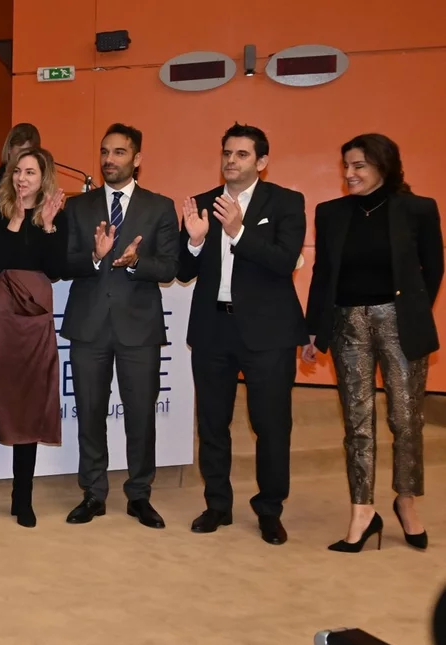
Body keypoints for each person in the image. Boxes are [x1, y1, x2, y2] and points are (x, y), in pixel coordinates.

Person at [303, 133, 440, 553]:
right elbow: (323, 275)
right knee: (357, 423)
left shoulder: (417, 209)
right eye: (345, 165)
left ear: (384, 165)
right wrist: (314, 329)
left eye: (359, 165)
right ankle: (362, 511)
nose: (349, 173)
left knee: (406, 419)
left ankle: (405, 501)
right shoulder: (330, 213)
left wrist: (412, 313)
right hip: (348, 325)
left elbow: (433, 268)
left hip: (399, 323)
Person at [177, 124, 306, 545]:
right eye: (227, 153)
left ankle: (269, 509)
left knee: (271, 425)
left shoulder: (285, 202)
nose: (231, 161)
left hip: (268, 332)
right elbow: (182, 270)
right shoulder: (202, 203)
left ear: (262, 162)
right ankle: (217, 504)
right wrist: (195, 243)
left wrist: (239, 232)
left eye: (242, 154)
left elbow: (284, 260)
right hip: (213, 328)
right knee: (212, 424)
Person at [59, 123, 178, 529]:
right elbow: (64, 263)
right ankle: (93, 493)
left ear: (137, 158)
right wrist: (95, 257)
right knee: (90, 413)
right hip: (88, 326)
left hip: (139, 328)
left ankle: (139, 494)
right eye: (104, 152)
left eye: (119, 152)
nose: (109, 160)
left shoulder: (160, 207)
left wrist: (136, 263)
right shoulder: (78, 207)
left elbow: (170, 267)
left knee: (141, 416)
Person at [0, 147, 65, 531]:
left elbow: (54, 269)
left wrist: (48, 226)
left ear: (43, 178)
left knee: (28, 401)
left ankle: (23, 499)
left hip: (34, 317)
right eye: (18, 171)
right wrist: (18, 219)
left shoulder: (56, 215)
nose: (22, 178)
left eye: (31, 173)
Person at [0, 123, 41, 191]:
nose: (24, 157)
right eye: (21, 151)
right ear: (9, 149)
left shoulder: (42, 180)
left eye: (28, 153)